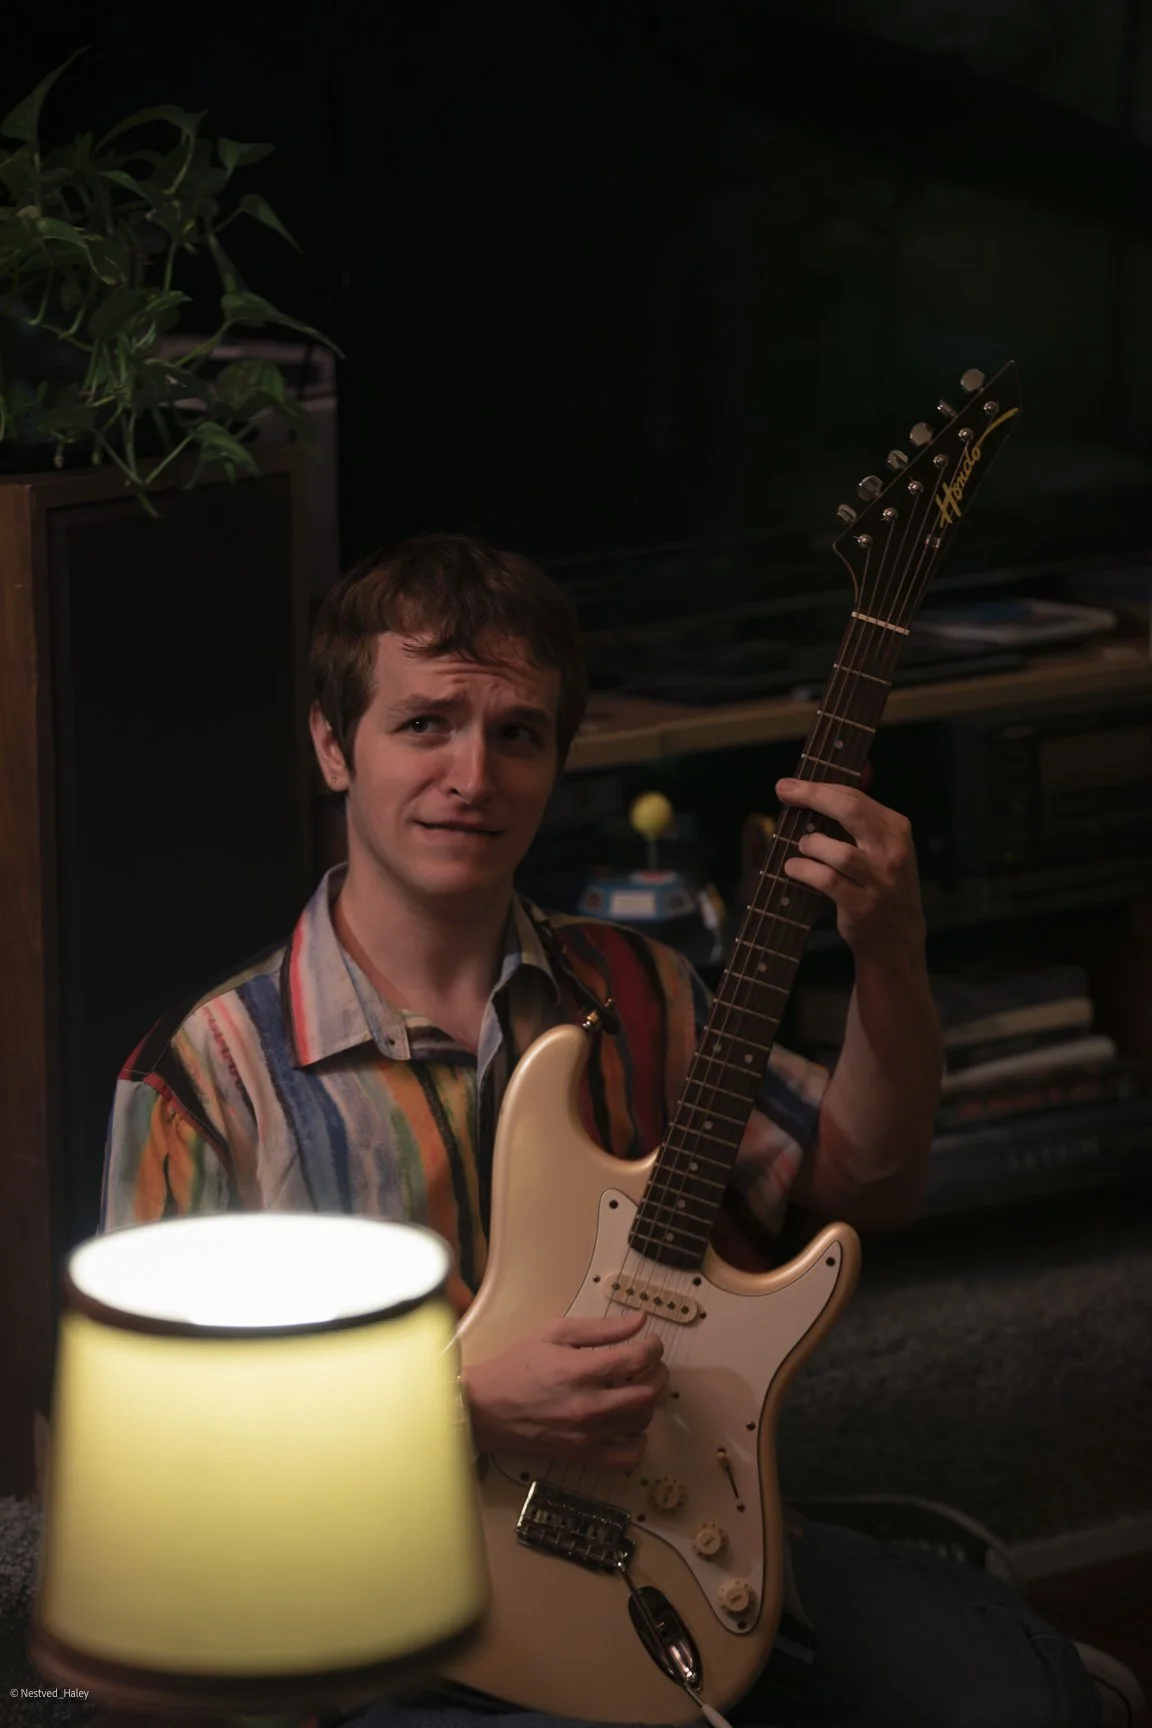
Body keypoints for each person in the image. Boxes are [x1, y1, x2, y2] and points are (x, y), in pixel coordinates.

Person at [101, 533, 1100, 1728]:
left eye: (517, 733)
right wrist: (463, 1405)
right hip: (374, 1619)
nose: (473, 774)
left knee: (1026, 1698)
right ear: (332, 745)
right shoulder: (206, 1077)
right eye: (424, 725)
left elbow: (869, 1183)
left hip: (673, 1541)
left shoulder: (642, 990)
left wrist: (892, 954)